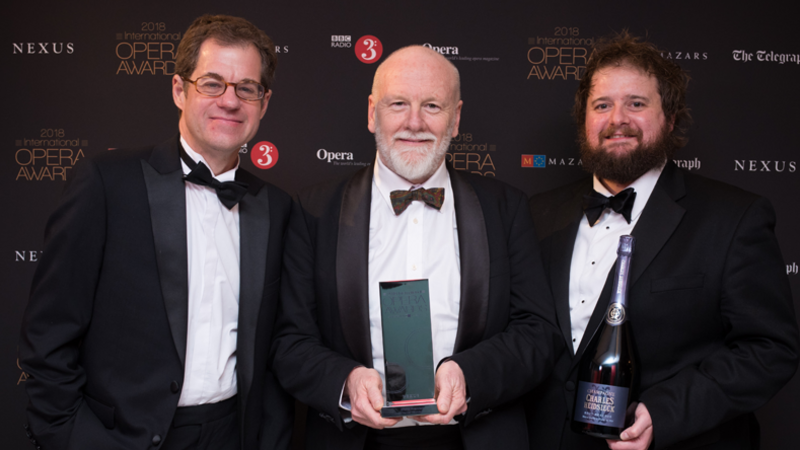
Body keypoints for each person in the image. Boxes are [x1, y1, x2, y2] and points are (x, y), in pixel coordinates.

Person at [18, 14, 293, 450]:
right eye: (212, 83)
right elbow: (48, 335)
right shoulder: (106, 183)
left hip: (234, 433)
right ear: (179, 90)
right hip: (122, 437)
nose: (230, 100)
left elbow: (279, 344)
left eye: (247, 88)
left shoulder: (276, 208)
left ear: (264, 103)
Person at [270, 45, 561, 450]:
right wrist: (346, 382)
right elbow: (290, 343)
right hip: (356, 440)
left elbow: (538, 334)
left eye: (432, 106)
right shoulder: (314, 210)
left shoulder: (505, 207)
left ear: (456, 118)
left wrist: (468, 375)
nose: (414, 122)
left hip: (474, 437)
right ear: (372, 113)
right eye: (398, 104)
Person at [525, 31, 799, 450]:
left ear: (669, 118)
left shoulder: (734, 217)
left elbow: (769, 349)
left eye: (636, 103)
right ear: (585, 120)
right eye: (602, 105)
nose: (618, 118)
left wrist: (665, 412)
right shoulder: (537, 213)